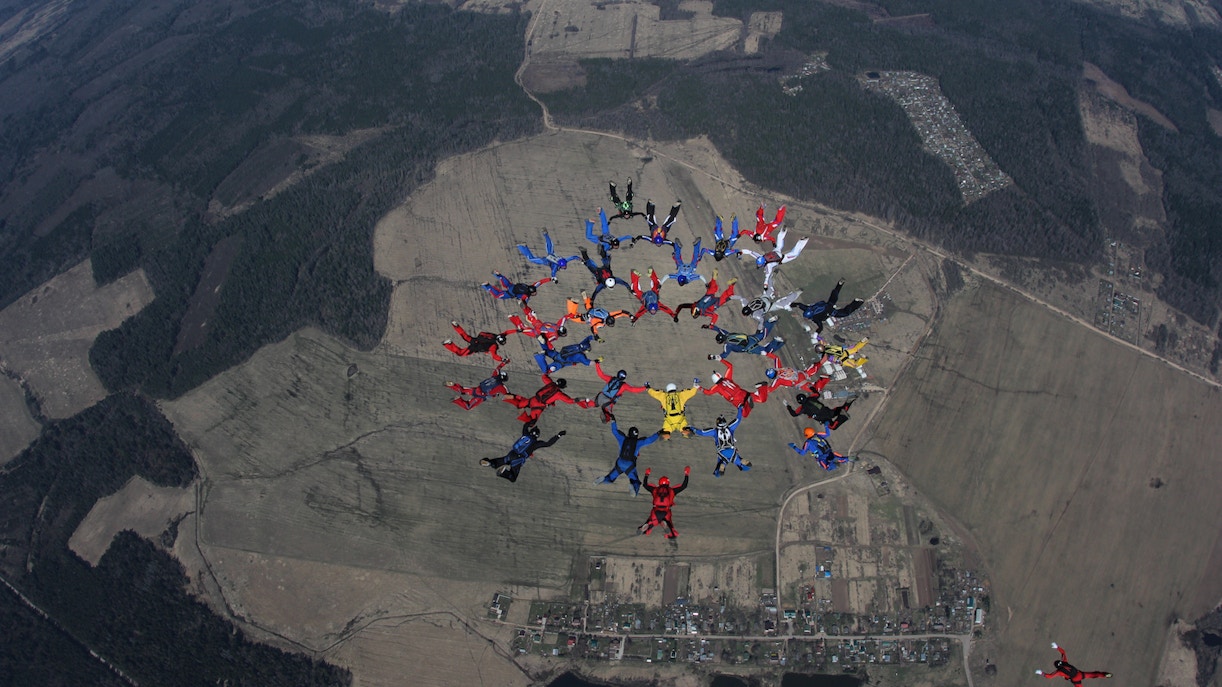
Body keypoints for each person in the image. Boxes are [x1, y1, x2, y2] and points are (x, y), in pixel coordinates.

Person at [594, 416, 661, 495]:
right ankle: (634, 489)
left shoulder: (622, 438)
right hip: (629, 465)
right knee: (635, 481)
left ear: (629, 433)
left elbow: (614, 431)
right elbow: (649, 440)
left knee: (611, 477)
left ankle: (604, 479)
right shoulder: (638, 442)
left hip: (620, 462)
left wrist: (613, 421)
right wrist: (658, 433)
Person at [480, 422, 565, 482]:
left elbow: (525, 425)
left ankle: (490, 462)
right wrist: (558, 435)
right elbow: (548, 444)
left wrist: (531, 422)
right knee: (513, 478)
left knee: (498, 462)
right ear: (538, 435)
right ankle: (504, 472)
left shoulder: (525, 434)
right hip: (518, 458)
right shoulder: (535, 443)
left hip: (512, 453)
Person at [688, 409, 751, 477]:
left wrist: (740, 408)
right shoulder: (727, 430)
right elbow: (702, 433)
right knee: (720, 469)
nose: (745, 460)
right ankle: (719, 471)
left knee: (721, 468)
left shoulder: (720, 430)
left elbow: (702, 433)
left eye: (746, 462)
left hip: (725, 453)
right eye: (746, 461)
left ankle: (719, 471)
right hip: (726, 453)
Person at [740, 228, 809, 289]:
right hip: (775, 252)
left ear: (763, 263)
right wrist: (741, 252)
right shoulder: (759, 257)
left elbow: (767, 275)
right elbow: (750, 252)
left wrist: (765, 285)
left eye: (759, 265)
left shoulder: (768, 266)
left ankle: (801, 241)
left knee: (794, 254)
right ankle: (782, 232)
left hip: (782, 258)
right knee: (779, 245)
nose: (759, 266)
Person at [503, 374, 587, 424]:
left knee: (520, 403)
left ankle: (511, 397)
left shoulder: (550, 383)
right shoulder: (559, 394)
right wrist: (581, 399)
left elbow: (544, 377)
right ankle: (521, 414)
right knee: (532, 422)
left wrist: (548, 371)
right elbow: (570, 401)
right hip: (538, 406)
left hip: (533, 399)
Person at [790, 280, 865, 333]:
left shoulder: (815, 319)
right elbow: (799, 304)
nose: (805, 319)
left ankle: (857, 302)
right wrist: (790, 305)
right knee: (834, 296)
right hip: (828, 305)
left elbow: (820, 327)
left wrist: (817, 333)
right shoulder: (807, 308)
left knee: (846, 313)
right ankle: (839, 284)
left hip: (831, 312)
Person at [702, 358, 767, 418]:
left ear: (714, 381)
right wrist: (720, 359)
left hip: (736, 399)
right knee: (762, 399)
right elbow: (730, 366)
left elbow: (708, 392)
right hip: (743, 392)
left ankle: (748, 404)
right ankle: (762, 387)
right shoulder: (727, 378)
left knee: (744, 414)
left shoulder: (717, 387)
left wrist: (698, 387)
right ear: (720, 376)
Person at [704, 317, 786, 364]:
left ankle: (776, 340)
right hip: (750, 338)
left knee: (767, 351)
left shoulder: (727, 346)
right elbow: (718, 329)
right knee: (763, 335)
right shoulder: (727, 334)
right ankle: (770, 322)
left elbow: (723, 355)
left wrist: (713, 357)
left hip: (750, 348)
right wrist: (709, 327)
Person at [638, 466, 690, 538]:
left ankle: (646, 528)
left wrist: (647, 474)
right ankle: (664, 524)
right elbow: (684, 486)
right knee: (670, 525)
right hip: (666, 511)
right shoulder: (672, 490)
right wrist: (686, 474)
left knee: (651, 522)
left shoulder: (655, 489)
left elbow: (645, 485)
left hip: (655, 510)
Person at [672, 269, 737, 325]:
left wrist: (711, 325)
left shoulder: (703, 312)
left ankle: (731, 285)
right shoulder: (694, 305)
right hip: (708, 296)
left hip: (715, 303)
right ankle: (714, 279)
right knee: (712, 287)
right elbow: (681, 306)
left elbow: (715, 316)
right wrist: (676, 313)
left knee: (728, 295)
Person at [446, 359, 511, 410]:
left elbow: (498, 368)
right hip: (480, 396)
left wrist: (504, 362)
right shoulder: (501, 386)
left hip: (477, 389)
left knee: (462, 390)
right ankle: (457, 400)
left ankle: (451, 385)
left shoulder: (494, 376)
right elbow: (508, 395)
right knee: (468, 406)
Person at [1035, 643, 1112, 685]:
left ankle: (1104, 675)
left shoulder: (1059, 672)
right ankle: (1104, 675)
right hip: (1080, 673)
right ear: (1060, 662)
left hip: (1075, 678)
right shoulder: (1064, 662)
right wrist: (1057, 647)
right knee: (1094, 674)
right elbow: (1063, 652)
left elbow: (1050, 676)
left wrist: (1041, 673)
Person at [566, 290, 631, 338]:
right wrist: (596, 335)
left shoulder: (610, 314)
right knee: (572, 316)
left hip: (594, 311)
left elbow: (621, 313)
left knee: (588, 307)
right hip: (589, 317)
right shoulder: (602, 323)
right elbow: (594, 327)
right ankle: (573, 303)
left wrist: (630, 315)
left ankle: (585, 298)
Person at [732, 283, 803, 326]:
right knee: (769, 288)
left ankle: (797, 295)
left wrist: (760, 328)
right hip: (763, 298)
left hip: (769, 307)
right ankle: (772, 277)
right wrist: (730, 297)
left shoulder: (755, 315)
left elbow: (761, 320)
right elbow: (741, 298)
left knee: (783, 303)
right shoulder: (745, 304)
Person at [442, 321, 515, 362]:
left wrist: (517, 330)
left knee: (464, 336)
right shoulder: (494, 346)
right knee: (460, 353)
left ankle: (456, 326)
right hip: (475, 347)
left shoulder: (497, 336)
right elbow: (494, 356)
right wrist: (502, 359)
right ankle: (449, 344)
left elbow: (507, 332)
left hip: (476, 340)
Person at [788, 424, 852, 470]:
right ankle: (845, 459)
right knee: (834, 456)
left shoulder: (808, 443)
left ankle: (834, 465)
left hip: (821, 457)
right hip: (829, 452)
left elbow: (802, 453)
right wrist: (826, 425)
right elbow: (827, 434)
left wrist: (794, 447)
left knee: (825, 466)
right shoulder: (818, 435)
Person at [534, 334, 599, 374]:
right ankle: (539, 356)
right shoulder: (581, 356)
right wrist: (597, 361)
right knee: (546, 371)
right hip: (560, 363)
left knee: (546, 351)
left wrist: (594, 338)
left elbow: (588, 338)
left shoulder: (579, 346)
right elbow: (590, 363)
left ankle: (542, 342)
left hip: (558, 355)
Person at [785, 393, 854, 430]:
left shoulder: (803, 408)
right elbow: (817, 394)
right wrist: (812, 388)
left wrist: (788, 406)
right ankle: (848, 402)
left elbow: (794, 414)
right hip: (827, 411)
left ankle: (843, 416)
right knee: (839, 410)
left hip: (823, 418)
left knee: (832, 426)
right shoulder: (811, 398)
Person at [482, 271, 554, 303]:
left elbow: (540, 282)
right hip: (510, 293)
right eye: (534, 293)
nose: (535, 293)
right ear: (531, 293)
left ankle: (498, 275)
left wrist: (550, 279)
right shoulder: (526, 296)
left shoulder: (532, 286)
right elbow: (524, 303)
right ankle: (487, 286)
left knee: (506, 283)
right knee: (497, 295)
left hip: (513, 286)